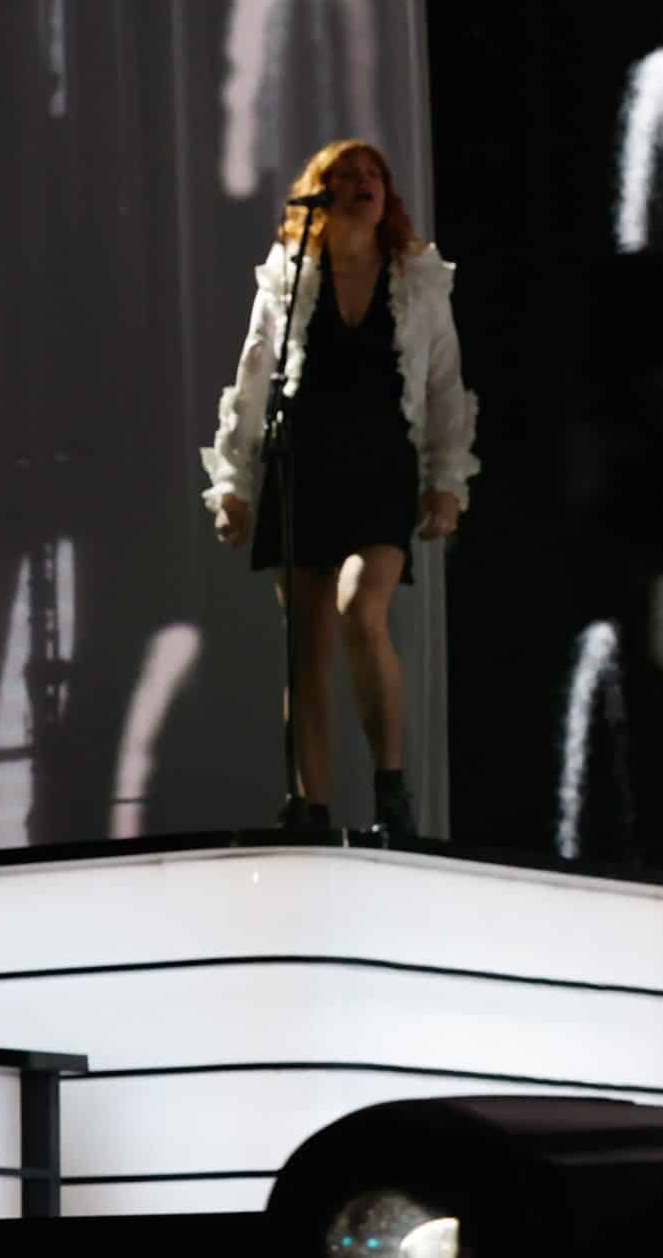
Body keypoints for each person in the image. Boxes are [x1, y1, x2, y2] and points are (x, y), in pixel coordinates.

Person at [202, 139, 478, 837]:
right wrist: (233, 483)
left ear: (387, 194)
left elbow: (445, 386)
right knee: (307, 646)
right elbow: (253, 379)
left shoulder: (417, 280)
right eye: (345, 175)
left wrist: (446, 482)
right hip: (303, 465)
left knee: (361, 605)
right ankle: (313, 806)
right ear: (318, 194)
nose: (361, 183)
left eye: (372, 174)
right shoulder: (290, 277)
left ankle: (391, 790)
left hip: (381, 465)